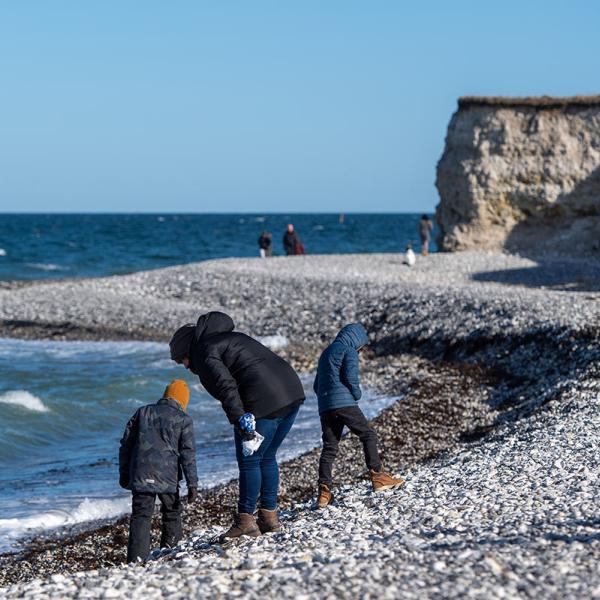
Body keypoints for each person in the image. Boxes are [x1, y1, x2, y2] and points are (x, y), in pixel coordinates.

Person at [169, 311, 305, 541]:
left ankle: (245, 521)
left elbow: (226, 388)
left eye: (180, 360)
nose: (183, 366)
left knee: (250, 461)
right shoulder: (231, 338)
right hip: (291, 393)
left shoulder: (204, 352)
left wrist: (240, 419)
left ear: (186, 350)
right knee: (268, 456)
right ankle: (269, 518)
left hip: (265, 402)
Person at [313, 324, 404, 508]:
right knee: (367, 434)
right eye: (361, 346)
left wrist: (328, 399)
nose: (360, 350)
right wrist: (355, 394)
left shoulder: (326, 353)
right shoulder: (349, 351)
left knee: (330, 447)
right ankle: (378, 476)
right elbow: (350, 377)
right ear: (356, 340)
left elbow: (316, 385)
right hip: (344, 402)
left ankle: (324, 493)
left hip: (325, 406)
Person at [119, 380, 198, 563]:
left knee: (140, 517)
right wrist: (192, 484)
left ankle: (136, 561)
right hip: (168, 478)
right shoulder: (183, 419)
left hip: (141, 474)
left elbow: (126, 446)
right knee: (171, 514)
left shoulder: (143, 412)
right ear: (182, 400)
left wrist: (124, 473)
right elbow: (188, 454)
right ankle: (169, 555)